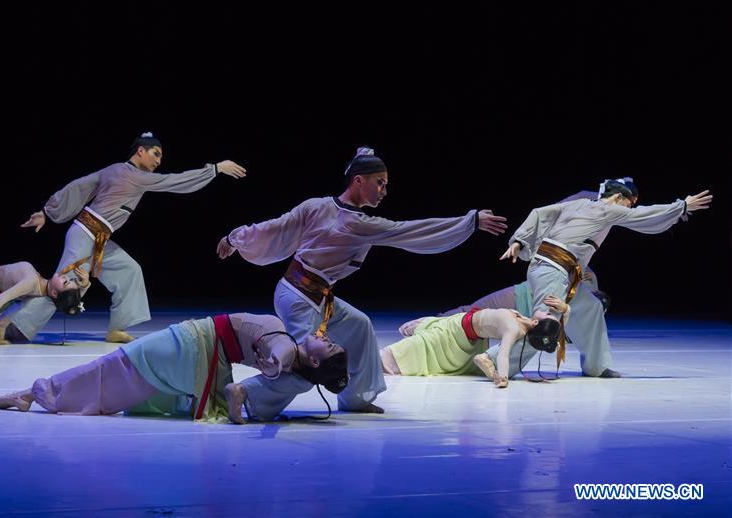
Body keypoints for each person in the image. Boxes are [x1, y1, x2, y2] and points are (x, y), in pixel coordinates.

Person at [216, 146, 508, 420]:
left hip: (309, 294)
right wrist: (470, 222)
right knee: (309, 365)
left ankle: (356, 398)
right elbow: (411, 231)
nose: (384, 190)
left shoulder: (318, 206)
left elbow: (274, 227)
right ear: (358, 181)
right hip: (300, 299)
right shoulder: (356, 223)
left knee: (359, 325)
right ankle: (247, 392)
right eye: (379, 183)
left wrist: (234, 238)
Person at [11, 132, 247, 344]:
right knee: (63, 287)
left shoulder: (115, 169)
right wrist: (215, 169)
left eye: (161, 156)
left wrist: (47, 213)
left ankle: (117, 329)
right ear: (140, 151)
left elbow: (79, 187)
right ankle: (14, 327)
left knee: (129, 270)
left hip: (98, 238)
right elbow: (174, 181)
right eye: (156, 154)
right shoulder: (134, 175)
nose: (159, 161)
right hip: (85, 234)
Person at [487, 179, 711, 378]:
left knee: (591, 308)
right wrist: (681, 205)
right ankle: (494, 360)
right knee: (546, 324)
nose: (628, 209)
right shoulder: (608, 210)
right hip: (553, 268)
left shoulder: (580, 204)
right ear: (617, 197)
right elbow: (641, 215)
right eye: (628, 203)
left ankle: (597, 366)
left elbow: (540, 212)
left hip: (557, 270)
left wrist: (519, 241)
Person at [0, 312, 347, 423]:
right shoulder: (290, 359)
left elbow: (281, 350)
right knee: (122, 381)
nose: (323, 334)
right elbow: (282, 357)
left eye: (327, 344)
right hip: (203, 353)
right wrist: (276, 367)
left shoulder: (281, 337)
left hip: (193, 345)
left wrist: (275, 365)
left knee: (114, 366)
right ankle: (39, 394)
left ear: (314, 360)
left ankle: (34, 393)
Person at [382, 295, 568, 388]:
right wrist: (566, 310)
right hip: (455, 328)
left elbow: (503, 354)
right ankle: (426, 323)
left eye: (549, 314)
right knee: (401, 354)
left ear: (536, 322)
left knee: (414, 357)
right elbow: (553, 329)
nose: (549, 311)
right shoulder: (523, 324)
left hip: (469, 340)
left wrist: (502, 378)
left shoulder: (515, 329)